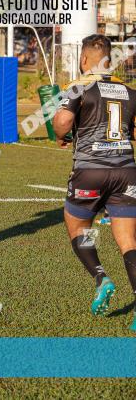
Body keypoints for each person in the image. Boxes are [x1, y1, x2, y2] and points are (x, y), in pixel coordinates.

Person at [52, 34, 136, 330]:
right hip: (126, 171)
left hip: (90, 170)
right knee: (128, 241)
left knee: (78, 227)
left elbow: (62, 122)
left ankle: (101, 276)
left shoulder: (78, 86)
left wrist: (63, 136)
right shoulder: (129, 91)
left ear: (84, 60)